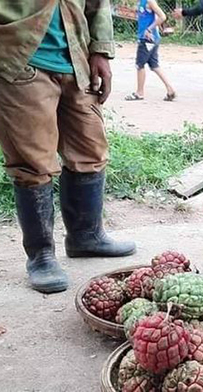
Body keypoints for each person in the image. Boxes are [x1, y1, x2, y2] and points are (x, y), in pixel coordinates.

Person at [0, 2, 137, 294]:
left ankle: (86, 236)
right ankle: (41, 256)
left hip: (77, 58)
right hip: (19, 58)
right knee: (33, 163)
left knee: (90, 150)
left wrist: (100, 49)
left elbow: (97, 3)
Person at [125, 0, 176, 101]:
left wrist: (149, 29)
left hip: (147, 39)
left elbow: (162, 16)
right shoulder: (142, 2)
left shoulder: (149, 1)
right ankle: (170, 89)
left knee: (140, 65)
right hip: (151, 39)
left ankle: (139, 93)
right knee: (154, 65)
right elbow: (155, 17)